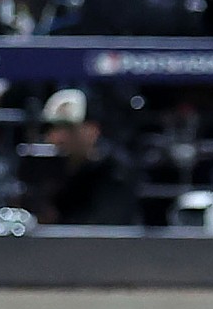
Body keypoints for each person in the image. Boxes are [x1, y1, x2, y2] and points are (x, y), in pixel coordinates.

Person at [31, 87, 142, 225]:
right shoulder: (47, 169)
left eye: (68, 128)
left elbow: (106, 226)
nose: (58, 137)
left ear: (92, 130)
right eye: (52, 128)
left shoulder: (116, 171)